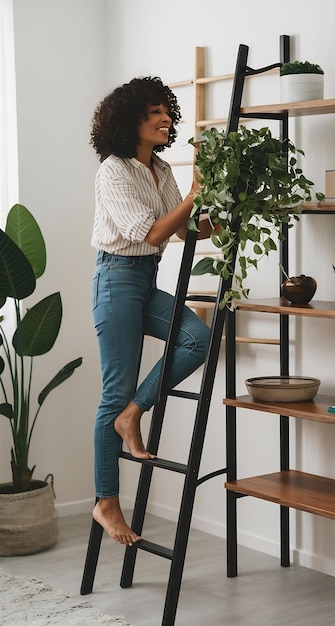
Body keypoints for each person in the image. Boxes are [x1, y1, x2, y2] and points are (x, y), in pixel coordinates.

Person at [90, 76, 213, 547]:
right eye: (153, 112)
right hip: (115, 280)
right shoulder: (114, 170)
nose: (165, 119)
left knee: (197, 340)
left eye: (167, 111)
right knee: (113, 390)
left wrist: (217, 208)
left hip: (145, 281)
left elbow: (184, 233)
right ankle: (106, 502)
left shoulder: (160, 169)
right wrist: (193, 196)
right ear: (130, 121)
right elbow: (153, 232)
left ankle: (133, 414)